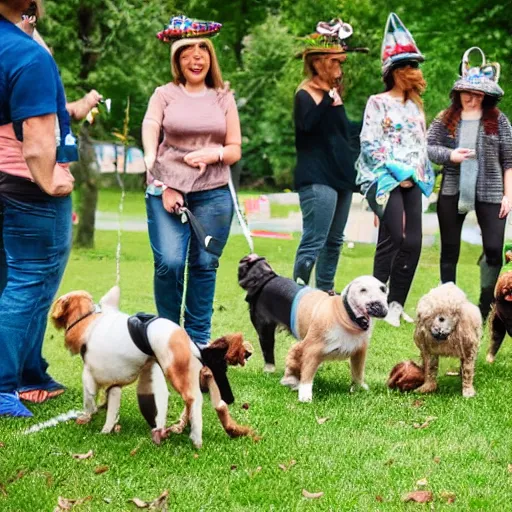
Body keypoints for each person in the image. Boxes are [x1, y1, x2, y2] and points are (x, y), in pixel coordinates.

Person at [0, 0, 100, 416]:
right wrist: (51, 178)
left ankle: (27, 374)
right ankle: (5, 386)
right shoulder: (28, 56)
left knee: (12, 281)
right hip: (27, 187)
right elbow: (38, 139)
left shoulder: (13, 44)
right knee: (31, 284)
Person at [142, 15, 241, 345]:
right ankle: (167, 338)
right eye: (187, 52)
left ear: (211, 56)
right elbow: (151, 127)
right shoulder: (164, 94)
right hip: (167, 190)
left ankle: (198, 342)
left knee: (204, 264)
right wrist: (164, 181)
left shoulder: (223, 96)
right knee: (170, 262)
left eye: (202, 50)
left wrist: (213, 155)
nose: (195, 57)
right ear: (177, 59)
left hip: (213, 194)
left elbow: (234, 149)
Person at [356, 13, 434, 327]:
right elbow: (369, 142)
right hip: (383, 179)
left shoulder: (416, 107)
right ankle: (373, 302)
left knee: (412, 241)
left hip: (413, 180)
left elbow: (421, 144)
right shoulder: (376, 102)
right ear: (396, 72)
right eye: (410, 66)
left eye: (416, 65)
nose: (416, 71)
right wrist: (397, 172)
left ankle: (395, 304)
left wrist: (415, 174)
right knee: (394, 238)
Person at [427, 46, 512, 319]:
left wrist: (508, 196)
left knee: (494, 251)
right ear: (458, 93)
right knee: (449, 250)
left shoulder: (499, 121)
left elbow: (509, 161)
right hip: (453, 190)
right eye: (466, 92)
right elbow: (428, 148)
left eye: (477, 94)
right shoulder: (445, 118)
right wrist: (450, 155)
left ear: (486, 95)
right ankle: (446, 305)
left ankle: (486, 303)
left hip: (491, 192)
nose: (471, 98)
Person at [292, 18, 366, 293]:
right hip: (316, 176)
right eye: (334, 62)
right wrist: (327, 102)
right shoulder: (306, 93)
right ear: (319, 62)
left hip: (341, 176)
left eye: (340, 62)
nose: (339, 68)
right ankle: (297, 296)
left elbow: (343, 132)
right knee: (315, 239)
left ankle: (325, 294)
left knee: (335, 240)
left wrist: (371, 124)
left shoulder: (333, 94)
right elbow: (306, 127)